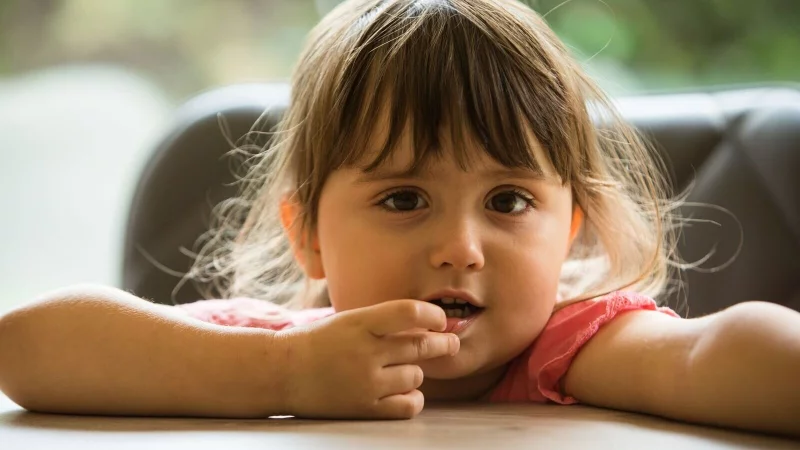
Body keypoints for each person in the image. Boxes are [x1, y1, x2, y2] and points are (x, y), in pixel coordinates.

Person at [0, 0, 798, 437]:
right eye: (404, 199)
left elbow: (711, 353)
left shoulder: (570, 350)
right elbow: (27, 348)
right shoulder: (282, 351)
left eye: (509, 202)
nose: (459, 249)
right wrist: (280, 378)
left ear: (573, 229)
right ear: (308, 234)